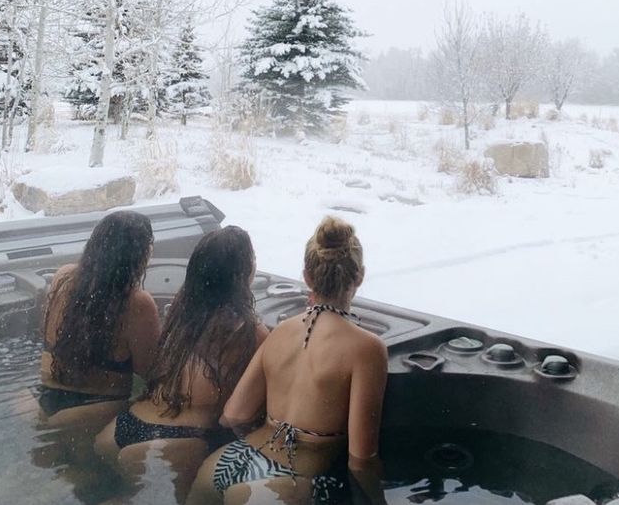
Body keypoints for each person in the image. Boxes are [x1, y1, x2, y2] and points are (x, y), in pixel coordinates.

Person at [187, 216, 388, 505]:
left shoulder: (280, 331)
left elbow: (233, 414)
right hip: (285, 482)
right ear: (359, 276)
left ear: (307, 277)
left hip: (228, 462)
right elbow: (361, 459)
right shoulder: (367, 349)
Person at [95, 225, 268, 503]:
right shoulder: (250, 331)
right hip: (178, 438)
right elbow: (256, 405)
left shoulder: (181, 310)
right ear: (242, 273)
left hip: (121, 429)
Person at [38, 210, 160, 452]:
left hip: (45, 396)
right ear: (139, 255)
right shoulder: (137, 303)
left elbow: (45, 330)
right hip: (95, 408)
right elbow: (151, 373)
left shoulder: (63, 277)